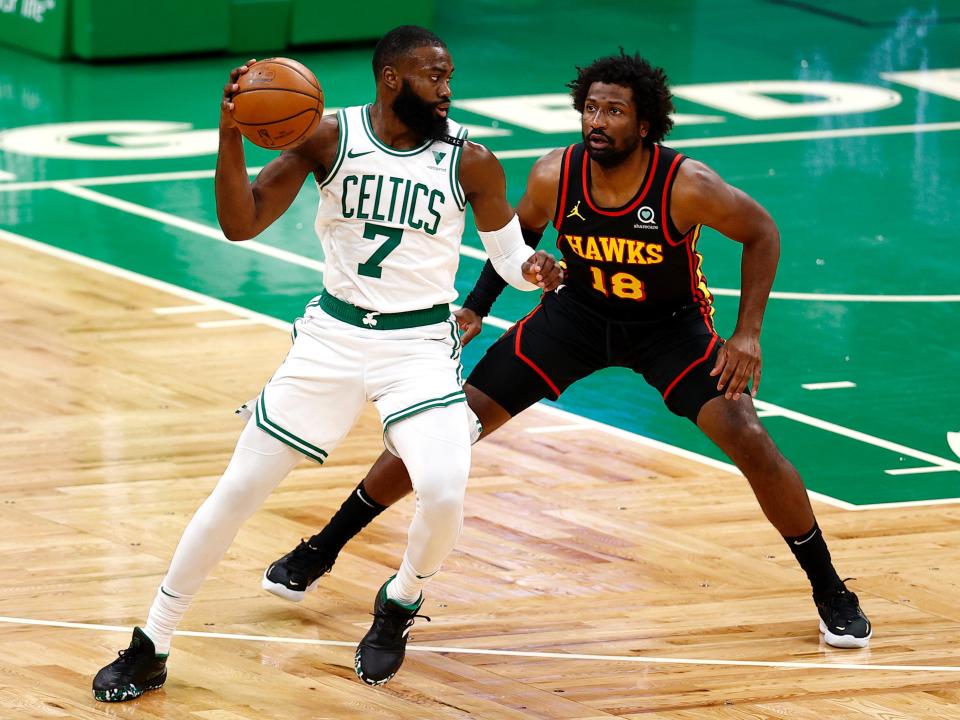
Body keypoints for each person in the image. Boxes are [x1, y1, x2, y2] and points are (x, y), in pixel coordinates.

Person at [262, 50, 872, 651]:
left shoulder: (687, 185)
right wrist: (477, 305)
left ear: (644, 123)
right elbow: (516, 236)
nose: (596, 121)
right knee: (449, 426)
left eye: (613, 111)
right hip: (575, 319)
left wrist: (747, 333)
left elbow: (761, 231)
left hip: (669, 328)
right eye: (590, 108)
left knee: (751, 440)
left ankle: (830, 590)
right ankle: (322, 547)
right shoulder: (556, 174)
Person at [91, 25, 563, 702]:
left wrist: (535, 267)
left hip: (418, 348)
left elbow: (512, 259)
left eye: (449, 74)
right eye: (434, 75)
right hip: (331, 343)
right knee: (236, 493)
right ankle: (153, 641)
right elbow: (241, 222)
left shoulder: (471, 161)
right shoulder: (326, 138)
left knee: (445, 489)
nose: (447, 88)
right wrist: (229, 133)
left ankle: (399, 600)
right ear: (392, 79)